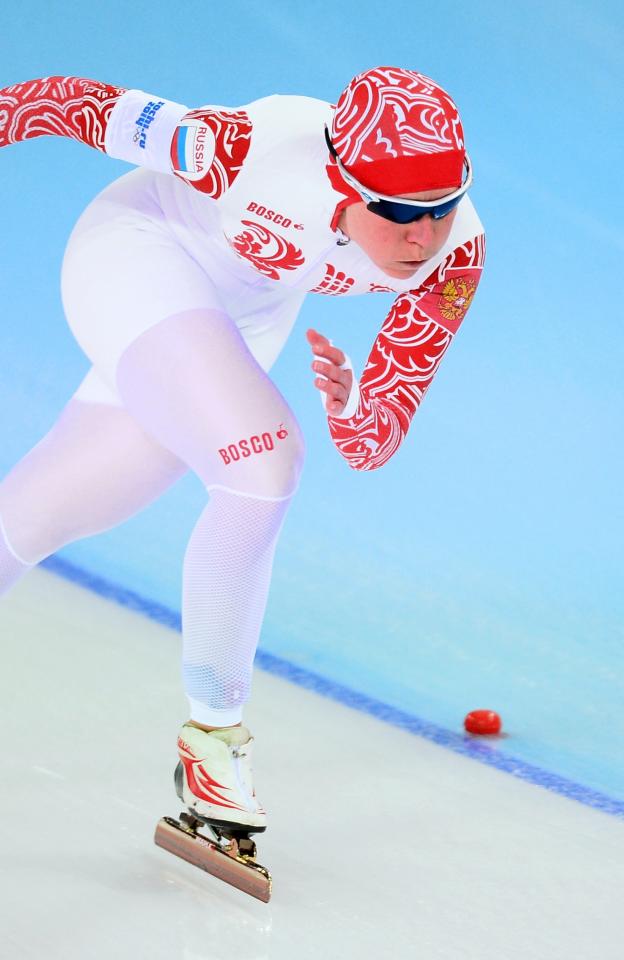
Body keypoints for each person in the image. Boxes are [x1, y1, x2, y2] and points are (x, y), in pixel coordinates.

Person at [0, 67, 484, 835]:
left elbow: (372, 441)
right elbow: (62, 103)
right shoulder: (244, 148)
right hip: (138, 255)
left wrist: (354, 406)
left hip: (241, 320)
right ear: (341, 184)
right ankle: (214, 742)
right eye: (396, 211)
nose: (421, 235)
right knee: (264, 463)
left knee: (38, 514)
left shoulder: (453, 257)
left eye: (442, 205)